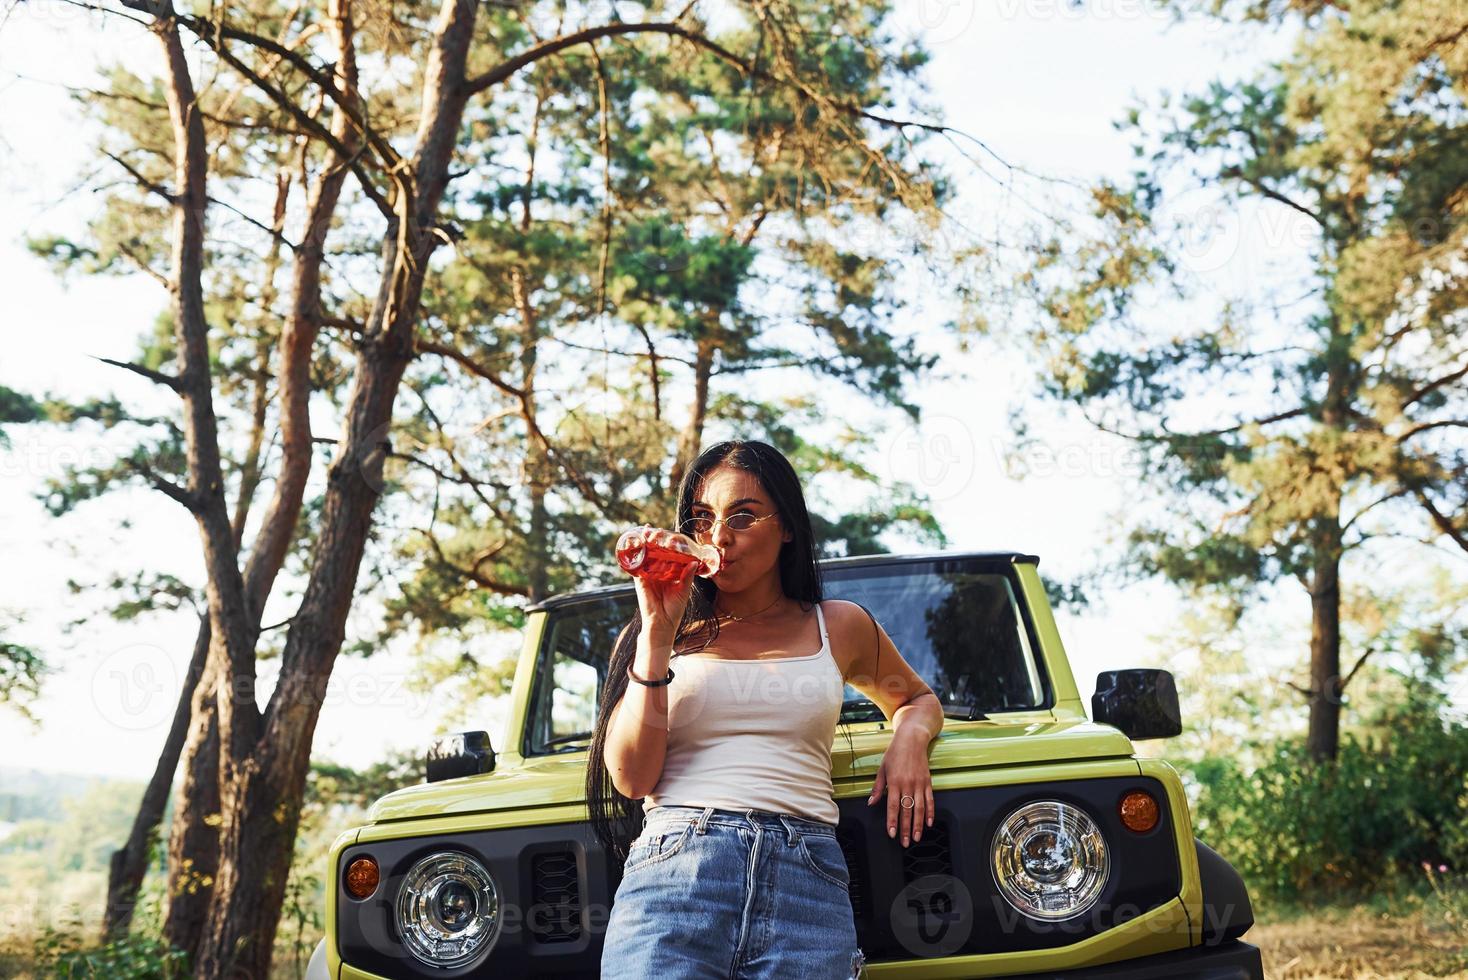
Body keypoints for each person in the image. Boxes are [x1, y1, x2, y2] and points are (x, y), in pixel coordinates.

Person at [586, 440, 944, 979]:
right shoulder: (653, 636)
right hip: (675, 873)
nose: (719, 539)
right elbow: (633, 780)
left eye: (743, 517)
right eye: (702, 520)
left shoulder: (838, 625)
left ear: (788, 527)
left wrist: (909, 739)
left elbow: (916, 699)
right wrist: (658, 636)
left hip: (807, 879)